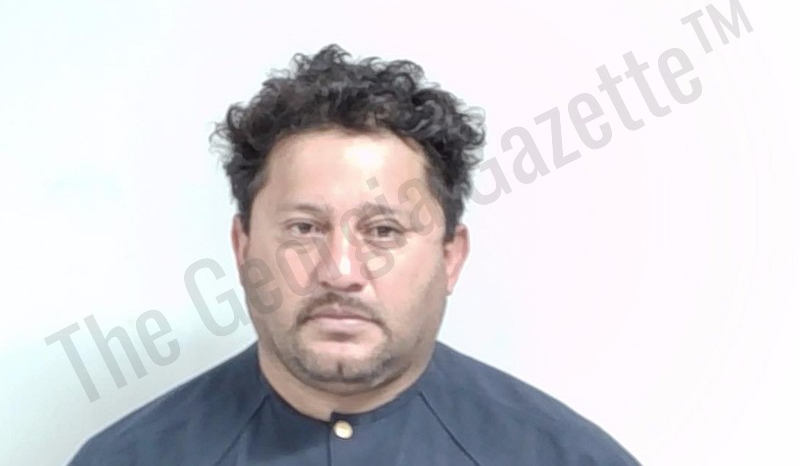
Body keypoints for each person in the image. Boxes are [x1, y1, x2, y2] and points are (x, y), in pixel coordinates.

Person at [69, 45, 641, 465]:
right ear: (243, 249)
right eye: (304, 228)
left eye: (383, 231)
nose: (340, 272)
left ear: (451, 258)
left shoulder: (568, 457)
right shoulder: (127, 459)